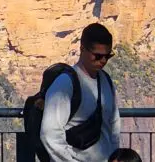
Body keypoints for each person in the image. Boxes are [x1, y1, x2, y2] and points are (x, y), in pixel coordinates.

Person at [41, 23, 121, 161]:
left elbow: (113, 127)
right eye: (97, 56)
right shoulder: (65, 84)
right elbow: (50, 133)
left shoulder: (106, 81)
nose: (103, 61)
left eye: (107, 56)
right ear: (82, 49)